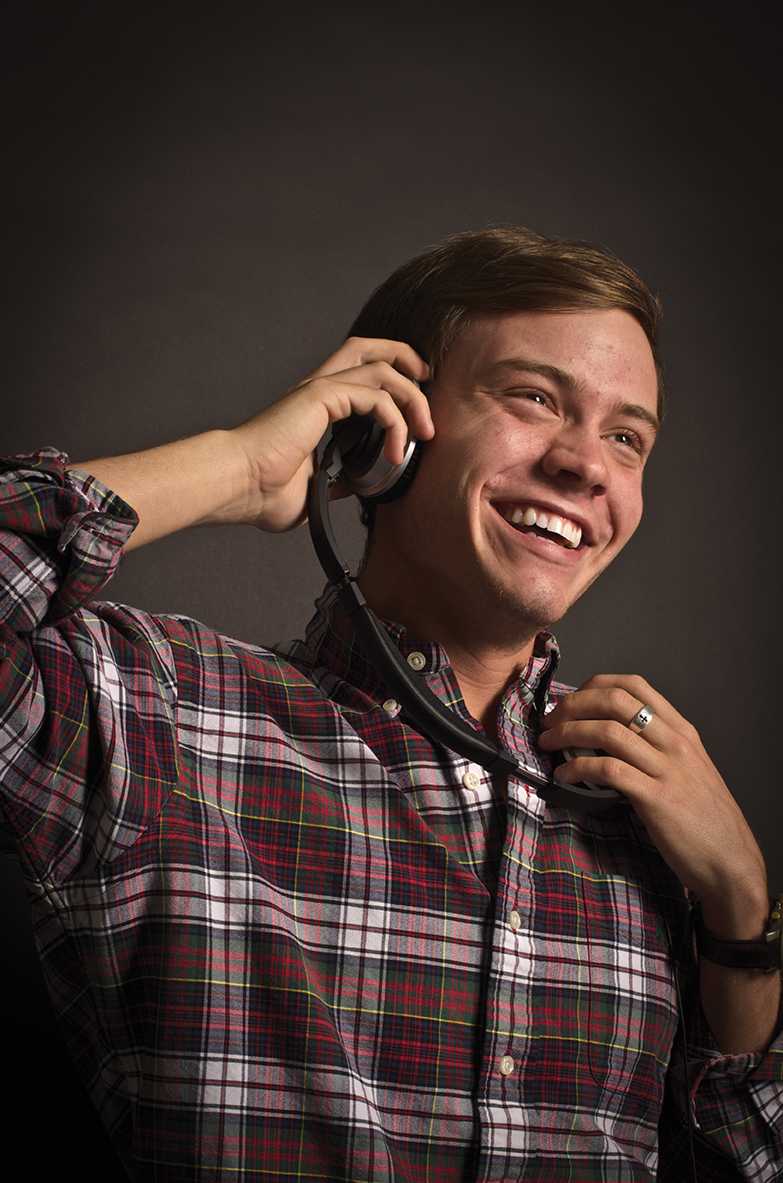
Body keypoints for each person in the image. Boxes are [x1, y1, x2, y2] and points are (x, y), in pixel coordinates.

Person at [1, 226, 780, 1183]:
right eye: (535, 398)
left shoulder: (658, 811)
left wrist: (742, 908)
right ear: (386, 430)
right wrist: (243, 464)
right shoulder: (156, 713)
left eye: (626, 436)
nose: (587, 465)